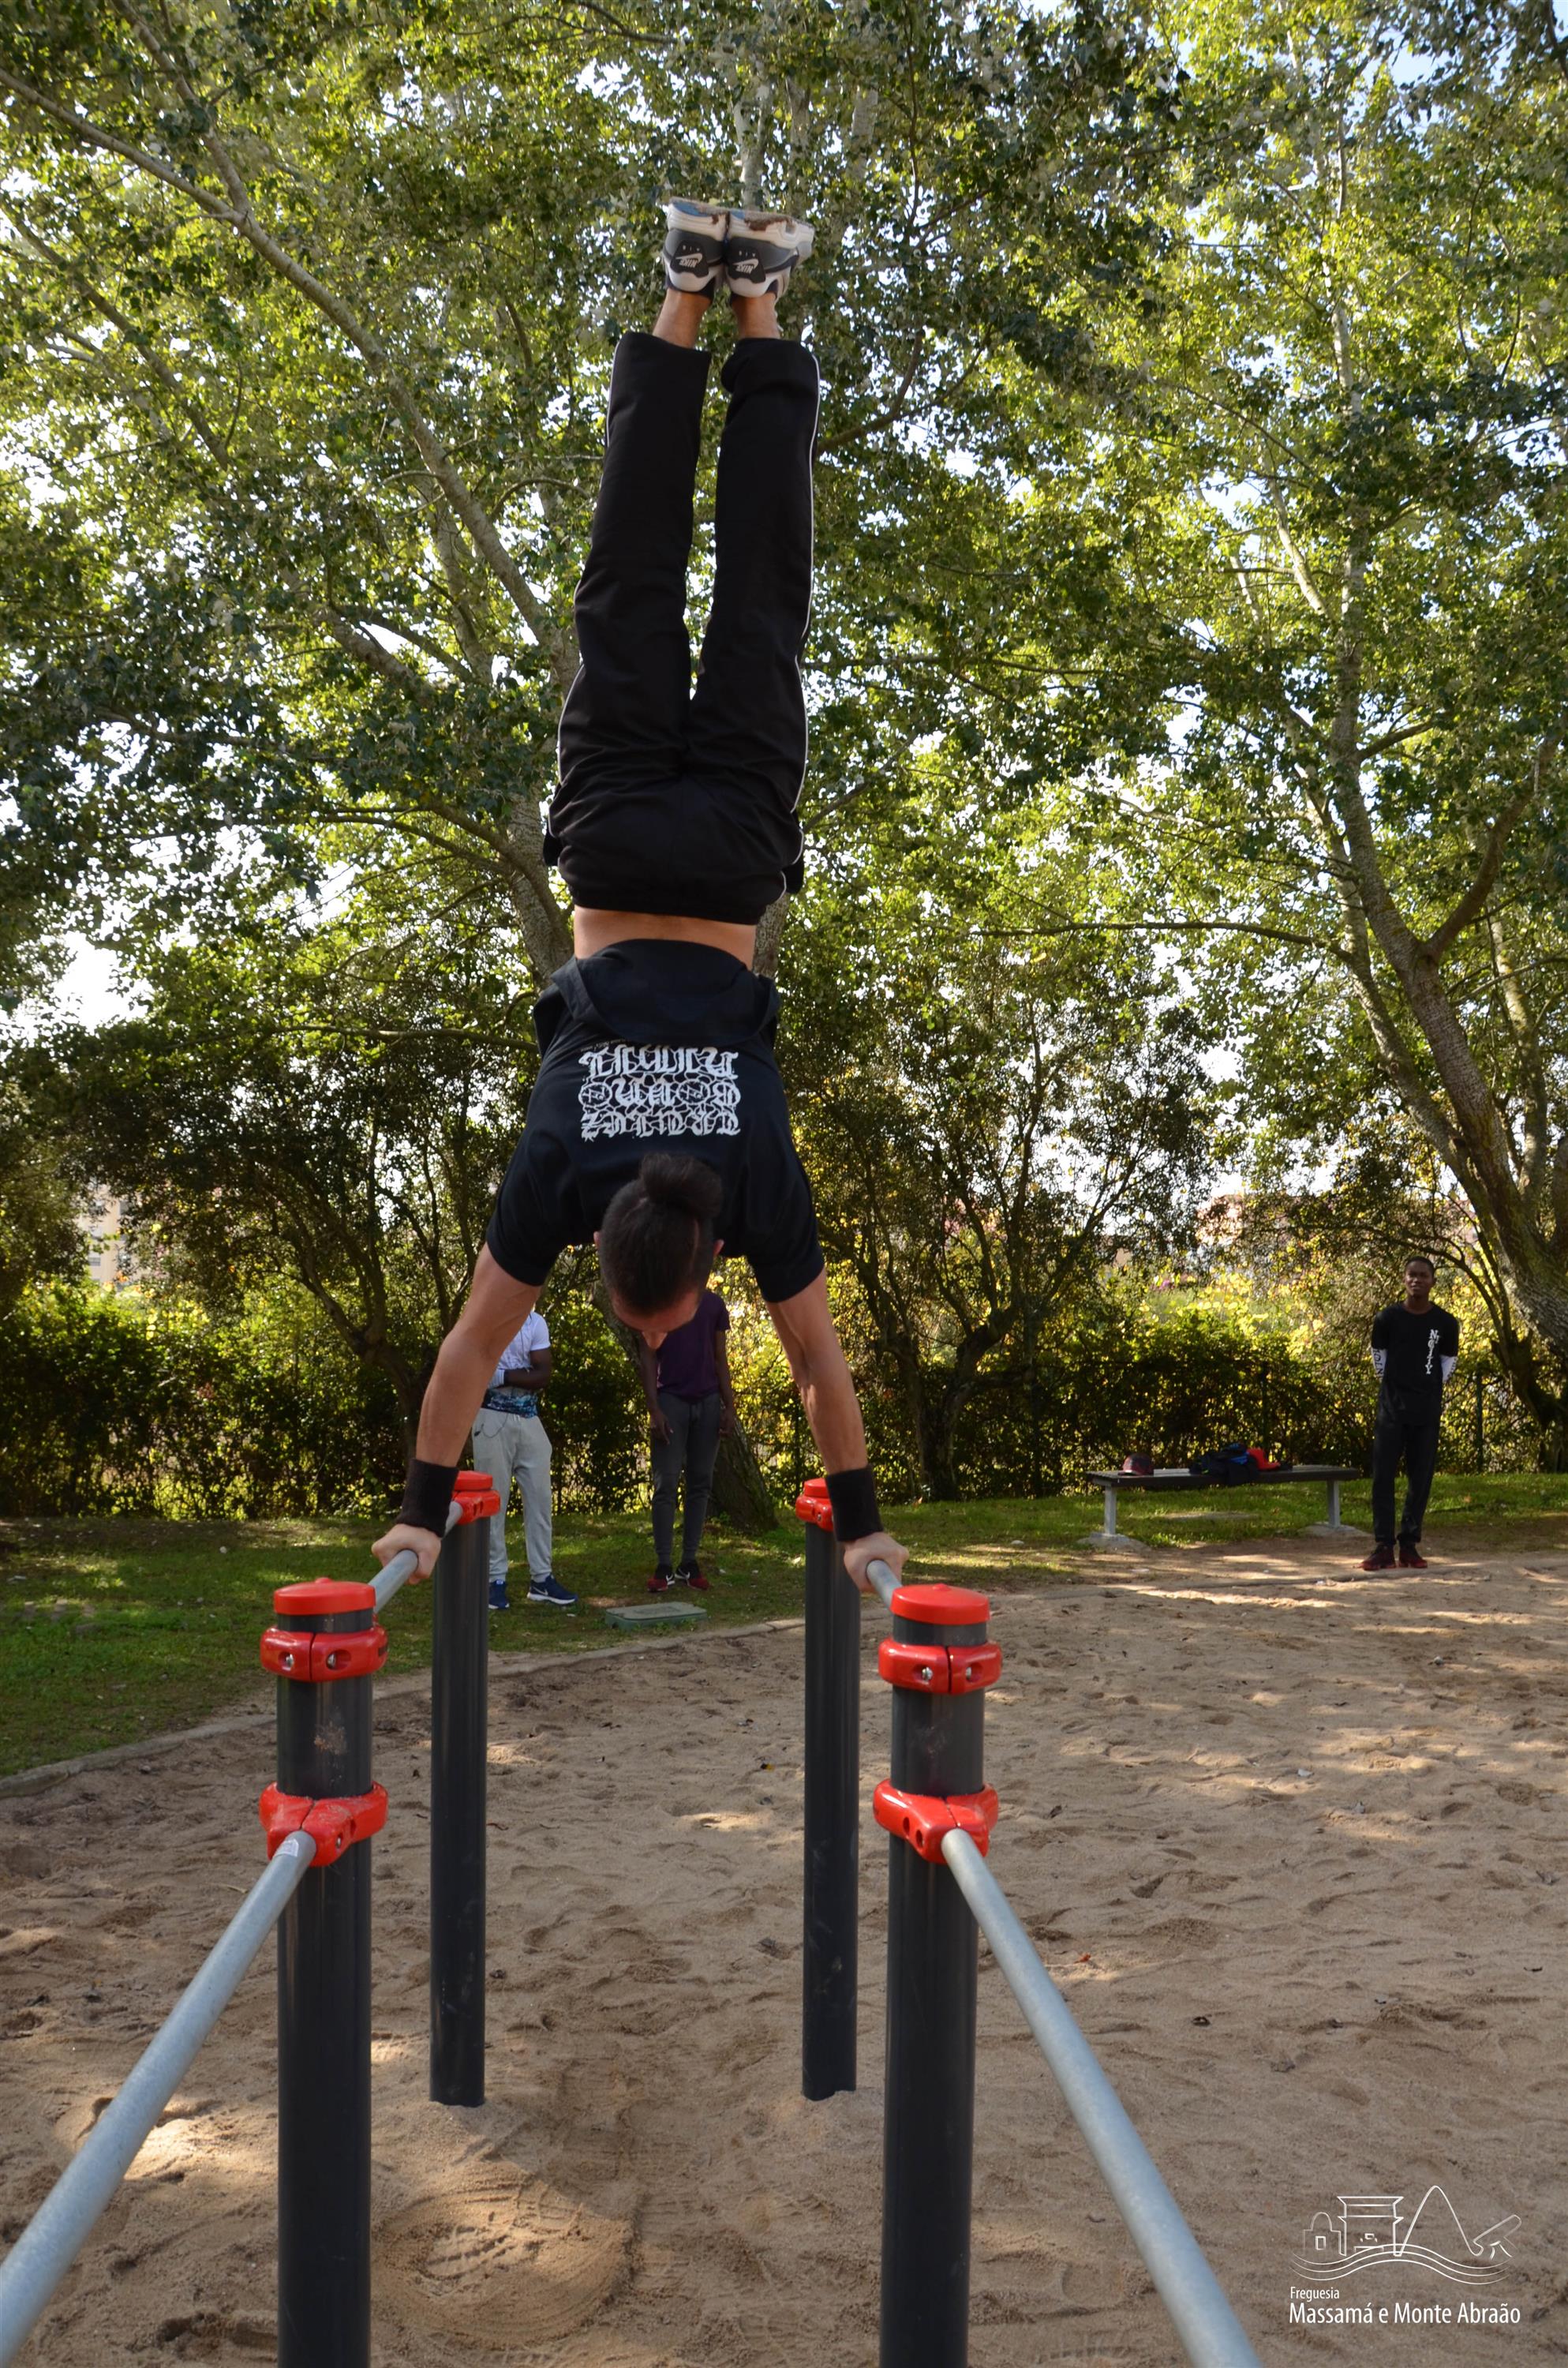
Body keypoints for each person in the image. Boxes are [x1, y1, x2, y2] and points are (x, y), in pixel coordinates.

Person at [372, 200, 907, 1601]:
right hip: (610, 852)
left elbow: (813, 1368)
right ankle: (685, 290)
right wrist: (419, 1511)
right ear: (606, 1264)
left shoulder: (752, 1180)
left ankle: (757, 301)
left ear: (689, 1254)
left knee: (762, 597)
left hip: (729, 852)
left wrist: (863, 1527)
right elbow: (465, 1361)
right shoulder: (556, 1171)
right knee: (627, 583)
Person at [470, 1310, 577, 1611]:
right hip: (491, 1418)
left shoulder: (535, 1322)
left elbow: (543, 1374)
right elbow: (479, 1368)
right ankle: (494, 1581)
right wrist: (519, 1375)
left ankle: (541, 1579)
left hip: (529, 1419)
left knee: (541, 1501)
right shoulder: (489, 1316)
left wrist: (502, 1376)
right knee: (493, 1503)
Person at [1360, 1255, 1459, 1572]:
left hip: (1426, 1411)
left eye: (1423, 1275)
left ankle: (1410, 1545)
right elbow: (1380, 1358)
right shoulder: (1386, 1319)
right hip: (1391, 1410)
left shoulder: (1445, 1322)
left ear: (1432, 1281)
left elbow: (1448, 1362)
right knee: (1383, 1478)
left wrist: (1428, 1387)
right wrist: (1397, 1386)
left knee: (1420, 1478)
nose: (1417, 1280)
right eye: (1411, 1275)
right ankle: (1383, 1547)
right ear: (1404, 1279)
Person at [638, 1285, 737, 1592]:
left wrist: (729, 1406)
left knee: (700, 1483)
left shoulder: (714, 1305)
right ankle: (664, 1565)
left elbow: (720, 1358)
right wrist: (654, 1409)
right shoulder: (658, 1300)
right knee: (665, 1483)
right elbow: (648, 1356)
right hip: (671, 1402)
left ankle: (689, 1563)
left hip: (707, 1403)